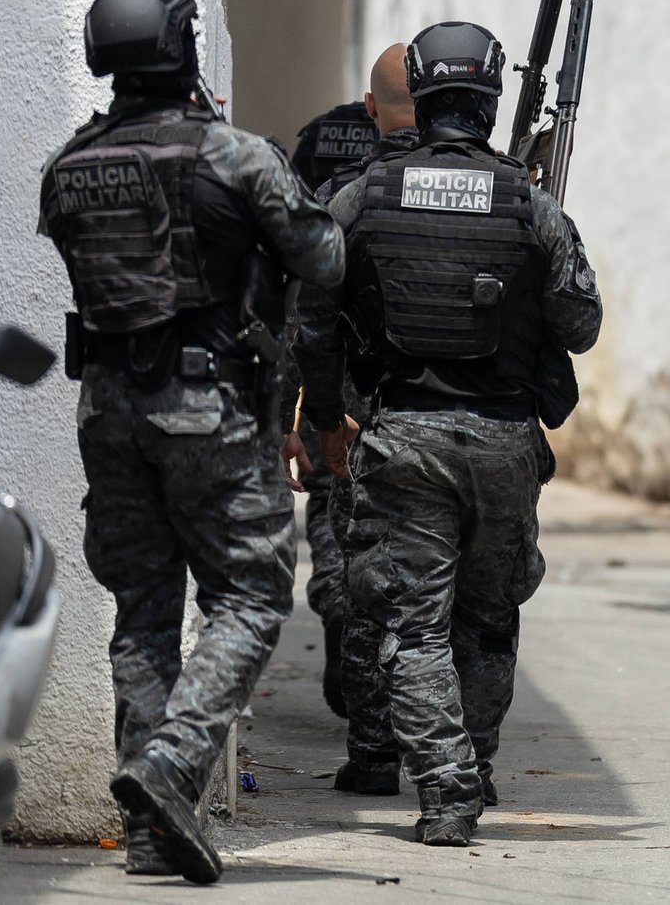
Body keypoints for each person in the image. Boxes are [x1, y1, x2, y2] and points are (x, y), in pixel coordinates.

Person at [38, 0, 343, 883]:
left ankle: (147, 833)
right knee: (250, 596)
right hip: (206, 409)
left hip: (109, 413)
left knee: (142, 611)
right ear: (181, 49)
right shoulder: (234, 156)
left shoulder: (68, 164)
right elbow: (324, 258)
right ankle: (169, 767)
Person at [294, 20, 602, 847]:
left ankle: (446, 789)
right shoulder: (527, 201)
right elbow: (581, 325)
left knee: (414, 624)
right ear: (492, 100)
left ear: (420, 101)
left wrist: (324, 418)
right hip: (505, 443)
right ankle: (479, 762)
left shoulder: (360, 195)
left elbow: (311, 318)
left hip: (405, 443)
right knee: (489, 616)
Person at [280, 43, 421, 796]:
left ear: (372, 107)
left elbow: (302, 311)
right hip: (442, 413)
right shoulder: (490, 186)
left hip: (358, 409)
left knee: (351, 556)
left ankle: (372, 736)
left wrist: (309, 413)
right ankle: (456, 752)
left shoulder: (337, 183)